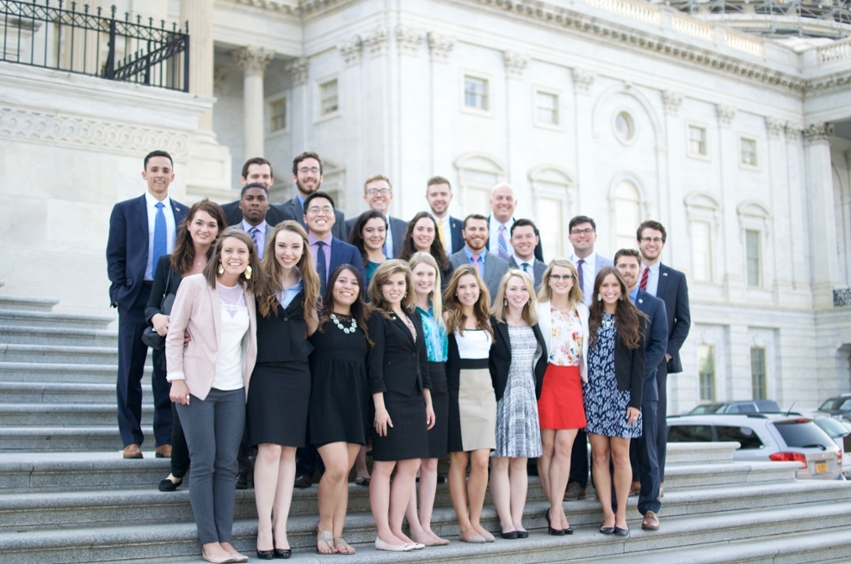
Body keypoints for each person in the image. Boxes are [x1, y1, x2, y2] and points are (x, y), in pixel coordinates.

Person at [165, 229, 260, 564]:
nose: (235, 257)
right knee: (203, 462)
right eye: (230, 250)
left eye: (243, 252)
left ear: (250, 260)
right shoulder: (194, 285)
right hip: (196, 387)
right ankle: (209, 542)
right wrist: (176, 378)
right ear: (219, 253)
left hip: (234, 388)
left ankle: (225, 539)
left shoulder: (249, 292)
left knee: (227, 464)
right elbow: (174, 334)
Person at [107, 150, 187, 459]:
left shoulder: (184, 213)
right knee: (129, 370)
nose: (159, 174)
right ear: (144, 174)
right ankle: (131, 439)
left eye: (165, 169)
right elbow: (115, 255)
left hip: (169, 299)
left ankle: (164, 438)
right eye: (154, 169)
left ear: (172, 175)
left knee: (166, 369)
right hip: (135, 297)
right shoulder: (125, 210)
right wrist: (119, 292)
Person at [249, 221, 321, 559]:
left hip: (297, 372)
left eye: (295, 247)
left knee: (290, 451)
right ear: (272, 247)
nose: (288, 252)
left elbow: (310, 327)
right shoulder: (257, 279)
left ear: (303, 250)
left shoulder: (309, 283)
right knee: (269, 449)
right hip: (264, 370)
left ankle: (281, 528)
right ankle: (264, 526)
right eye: (282, 246)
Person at [146, 200, 228, 492]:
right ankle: (178, 470)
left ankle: (200, 468)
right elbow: (151, 305)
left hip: (212, 351)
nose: (204, 229)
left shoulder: (224, 265)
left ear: (219, 230)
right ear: (188, 225)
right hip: (176, 348)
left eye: (211, 224)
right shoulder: (168, 263)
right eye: (199, 222)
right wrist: (159, 319)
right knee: (180, 409)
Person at [296, 191, 365, 488]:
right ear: (305, 217)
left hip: (341, 326)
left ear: (334, 217)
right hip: (308, 327)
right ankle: (305, 465)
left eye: (327, 209)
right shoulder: (297, 249)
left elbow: (358, 284)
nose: (321, 213)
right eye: (315, 209)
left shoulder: (348, 251)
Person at [367, 260, 435, 552]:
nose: (395, 288)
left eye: (400, 283)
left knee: (411, 464)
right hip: (389, 398)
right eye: (389, 283)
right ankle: (383, 532)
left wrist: (428, 402)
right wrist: (379, 407)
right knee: (385, 465)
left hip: (414, 399)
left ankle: (396, 528)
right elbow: (375, 364)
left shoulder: (412, 315)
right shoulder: (377, 317)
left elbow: (422, 362)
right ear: (380, 286)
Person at [309, 265, 372, 555]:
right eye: (342, 281)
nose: (348, 286)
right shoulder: (316, 318)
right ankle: (323, 528)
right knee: (334, 468)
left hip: (355, 403)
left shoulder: (365, 322)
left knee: (344, 473)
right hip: (325, 401)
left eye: (354, 283)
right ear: (332, 284)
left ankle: (338, 533)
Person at [584, 266, 645, 537]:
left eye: (614, 285)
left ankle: (622, 514)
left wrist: (636, 402)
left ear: (622, 289)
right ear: (598, 289)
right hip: (594, 395)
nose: (610, 290)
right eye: (604, 285)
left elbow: (640, 366)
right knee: (599, 455)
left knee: (621, 456)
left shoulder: (636, 319)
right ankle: (607, 514)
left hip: (622, 397)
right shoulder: (588, 318)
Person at [488, 269, 547, 539]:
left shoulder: (534, 322)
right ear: (504, 293)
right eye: (513, 288)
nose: (518, 294)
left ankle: (518, 519)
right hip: (501, 397)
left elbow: (540, 361)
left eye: (523, 289)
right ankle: (505, 521)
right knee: (500, 462)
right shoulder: (493, 323)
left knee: (520, 462)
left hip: (526, 397)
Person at [614, 248, 668, 531]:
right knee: (616, 451)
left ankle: (649, 508)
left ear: (639, 270)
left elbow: (659, 346)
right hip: (613, 391)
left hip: (645, 388)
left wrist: (637, 378)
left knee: (647, 451)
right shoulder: (608, 301)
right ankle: (614, 507)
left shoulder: (655, 304)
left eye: (632, 266)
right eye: (621, 266)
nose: (627, 271)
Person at [534, 259, 589, 535]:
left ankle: (554, 509)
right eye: (556, 276)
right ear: (548, 279)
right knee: (547, 447)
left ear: (573, 281)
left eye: (566, 276)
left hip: (571, 381)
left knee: (565, 447)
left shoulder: (583, 310)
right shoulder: (539, 308)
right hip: (547, 379)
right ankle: (557, 508)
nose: (561, 280)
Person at [443, 265, 496, 544]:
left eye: (472, 286)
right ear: (455, 290)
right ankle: (464, 526)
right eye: (462, 287)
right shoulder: (448, 318)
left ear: (480, 290)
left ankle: (476, 521)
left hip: (484, 393)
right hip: (458, 391)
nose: (467, 291)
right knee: (459, 460)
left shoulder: (489, 319)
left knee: (481, 461)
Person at [636, 220, 690, 495]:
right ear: (639, 243)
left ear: (662, 243)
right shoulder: (629, 275)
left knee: (655, 421)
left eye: (656, 239)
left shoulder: (675, 278)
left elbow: (684, 321)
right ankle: (634, 477)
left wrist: (668, 353)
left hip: (659, 361)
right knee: (631, 417)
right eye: (647, 239)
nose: (651, 243)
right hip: (630, 359)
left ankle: (657, 482)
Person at [566, 214, 613, 500]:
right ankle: (576, 479)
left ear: (595, 235)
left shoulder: (608, 266)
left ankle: (602, 479)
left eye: (587, 231)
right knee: (574, 416)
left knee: (600, 416)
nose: (582, 235)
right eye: (576, 232)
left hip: (601, 347)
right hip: (570, 349)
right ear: (570, 237)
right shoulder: (562, 268)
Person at [405, 252, 450, 547]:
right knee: (411, 462)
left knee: (432, 461)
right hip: (415, 383)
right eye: (419, 274)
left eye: (429, 275)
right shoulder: (407, 312)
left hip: (441, 380)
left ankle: (426, 524)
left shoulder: (440, 313)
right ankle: (412, 525)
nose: (425, 280)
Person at [277, 152, 347, 240]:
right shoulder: (281, 212)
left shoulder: (337, 216)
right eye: (304, 170)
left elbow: (344, 251)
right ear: (294, 177)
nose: (309, 175)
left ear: (321, 177)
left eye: (314, 170)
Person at [448, 214, 509, 303]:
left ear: (488, 233)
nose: (477, 233)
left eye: (482, 229)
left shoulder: (502, 266)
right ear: (463, 233)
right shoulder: (450, 262)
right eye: (472, 229)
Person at [345, 174, 408, 258]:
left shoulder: (404, 227)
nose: (378, 195)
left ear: (391, 196)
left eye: (384, 191)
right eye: (373, 191)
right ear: (365, 197)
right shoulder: (350, 226)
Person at [220, 157, 287, 227]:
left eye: (265, 176)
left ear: (271, 181)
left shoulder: (282, 219)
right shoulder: (223, 214)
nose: (261, 181)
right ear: (243, 180)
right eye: (255, 176)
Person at [485, 183, 544, 262]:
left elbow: (538, 265)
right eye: (499, 198)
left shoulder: (531, 232)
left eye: (509, 198)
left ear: (515, 203)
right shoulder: (478, 230)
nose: (504, 202)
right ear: (491, 202)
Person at [399, 211, 452, 286]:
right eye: (420, 229)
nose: (424, 234)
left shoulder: (445, 264)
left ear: (435, 235)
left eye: (429, 230)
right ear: (411, 232)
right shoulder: (401, 264)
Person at [229, 182, 274, 260]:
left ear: (268, 206)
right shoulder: (228, 233)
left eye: (260, 199)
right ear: (240, 204)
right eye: (249, 199)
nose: (255, 203)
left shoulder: (277, 235)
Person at [425, 176, 464, 254]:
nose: (439, 199)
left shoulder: (462, 227)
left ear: (451, 197)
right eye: (434, 195)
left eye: (443, 194)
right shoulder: (414, 227)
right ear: (427, 198)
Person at [348, 209, 388, 286]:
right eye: (369, 230)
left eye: (381, 230)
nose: (376, 235)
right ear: (360, 233)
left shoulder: (393, 263)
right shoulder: (353, 263)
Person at [508, 219, 546, 289]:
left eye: (528, 236)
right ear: (511, 242)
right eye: (518, 237)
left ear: (536, 240)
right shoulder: (501, 269)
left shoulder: (547, 271)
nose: (524, 241)